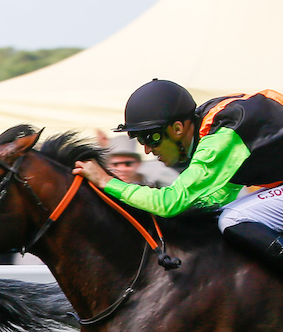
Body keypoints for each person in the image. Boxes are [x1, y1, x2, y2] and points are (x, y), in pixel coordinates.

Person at [73, 79, 283, 275]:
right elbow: (219, 195)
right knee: (221, 215)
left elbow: (170, 203)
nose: (146, 150)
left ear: (177, 128)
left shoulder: (221, 137)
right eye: (140, 140)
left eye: (151, 138)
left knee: (233, 218)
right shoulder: (210, 128)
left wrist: (105, 181)